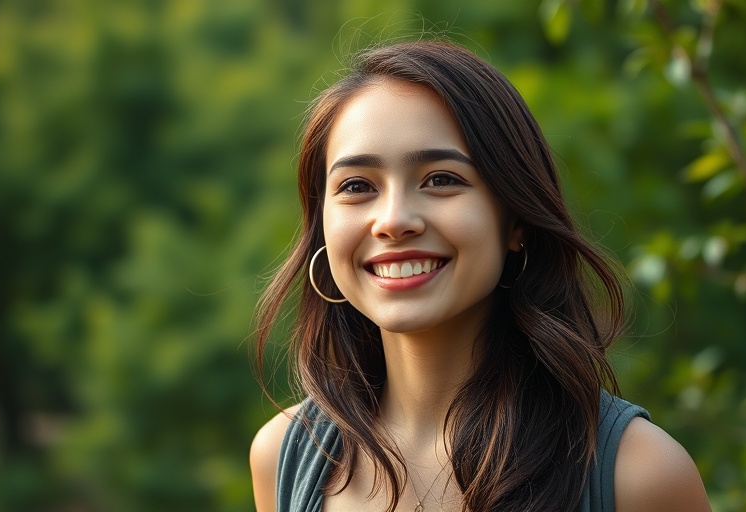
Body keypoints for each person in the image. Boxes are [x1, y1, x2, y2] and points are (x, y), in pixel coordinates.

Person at [249, 40, 711, 512]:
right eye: (357, 186)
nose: (393, 219)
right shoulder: (285, 457)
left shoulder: (638, 474)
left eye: (441, 179)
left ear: (515, 220)